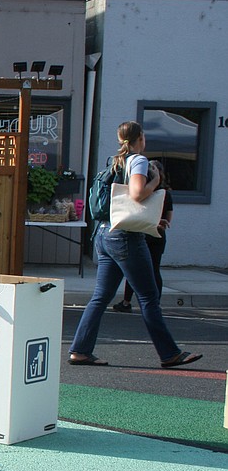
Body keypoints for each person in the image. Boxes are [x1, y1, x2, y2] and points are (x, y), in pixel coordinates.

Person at [69, 122, 201, 368]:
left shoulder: (114, 161)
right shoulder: (138, 160)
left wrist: (152, 219)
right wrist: (157, 180)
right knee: (149, 296)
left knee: (100, 297)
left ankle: (80, 350)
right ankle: (169, 353)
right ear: (140, 138)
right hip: (126, 238)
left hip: (105, 234)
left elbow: (123, 204)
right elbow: (137, 194)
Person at [112, 159, 172, 313]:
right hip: (158, 234)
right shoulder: (165, 193)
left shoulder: (144, 191)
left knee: (133, 270)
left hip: (142, 233)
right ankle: (155, 303)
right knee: (154, 270)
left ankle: (126, 302)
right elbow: (169, 219)